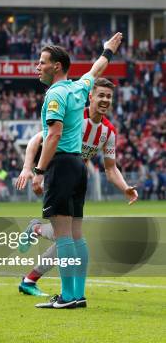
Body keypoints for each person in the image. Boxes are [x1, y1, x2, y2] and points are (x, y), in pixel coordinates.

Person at [15, 77, 138, 297]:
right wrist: (29, 169)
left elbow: (110, 169)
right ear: (90, 96)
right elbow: (36, 140)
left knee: (69, 238)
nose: (104, 100)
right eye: (100, 95)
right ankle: (35, 239)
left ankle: (30, 278)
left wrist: (125, 187)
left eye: (108, 96)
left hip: (75, 181)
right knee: (69, 238)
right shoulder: (74, 115)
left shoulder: (108, 132)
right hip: (54, 173)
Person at [28, 33, 123, 309]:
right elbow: (96, 69)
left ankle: (68, 296)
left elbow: (54, 134)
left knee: (63, 235)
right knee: (76, 234)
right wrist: (108, 51)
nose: (38, 67)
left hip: (61, 165)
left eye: (42, 62)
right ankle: (77, 294)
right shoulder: (78, 88)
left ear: (56, 66)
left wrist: (39, 170)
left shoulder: (56, 93)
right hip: (78, 167)